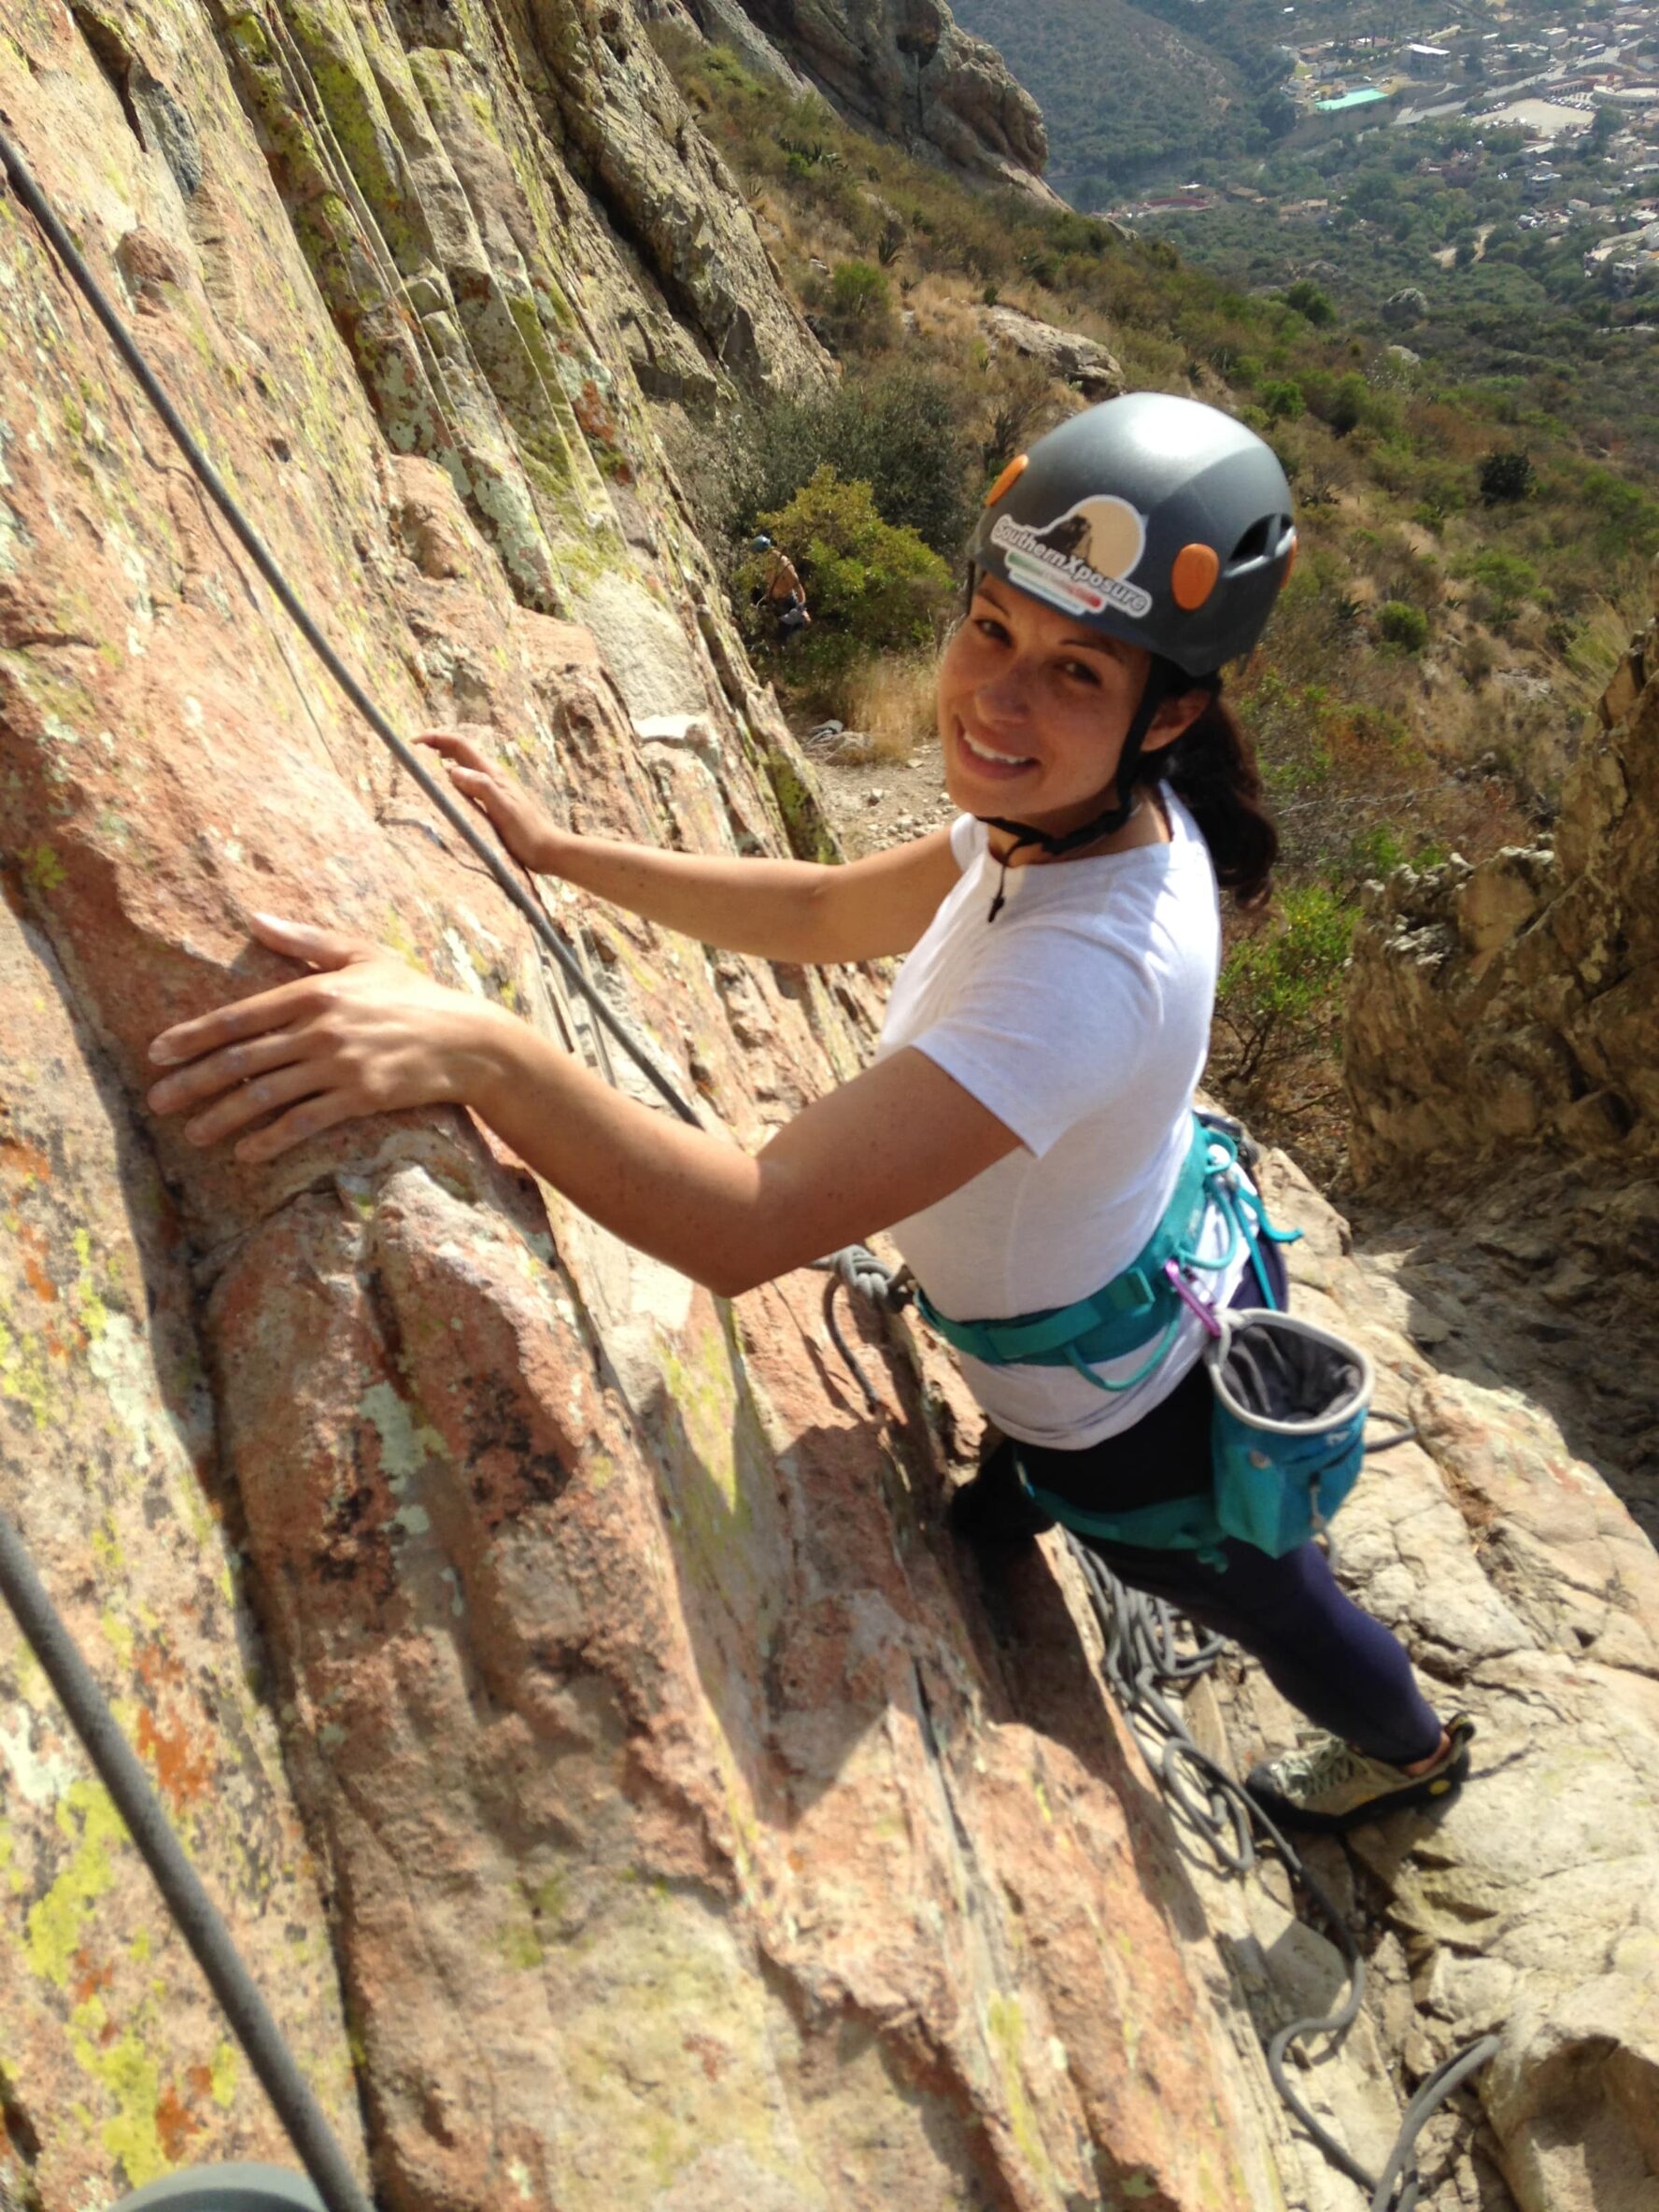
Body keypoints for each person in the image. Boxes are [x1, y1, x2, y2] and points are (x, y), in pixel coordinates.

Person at [146, 394, 1471, 1835]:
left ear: (1173, 710)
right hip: (1123, 1281)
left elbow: (748, 1227)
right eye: (991, 632)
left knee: (1272, 1600)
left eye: (1075, 671)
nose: (996, 701)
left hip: (1131, 1419)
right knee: (1016, 1486)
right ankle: (1018, 1486)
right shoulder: (1071, 814)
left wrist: (481, 1052)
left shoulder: (1090, 969)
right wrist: (557, 849)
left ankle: (1410, 1754)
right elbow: (836, 908)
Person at [750, 533, 811, 644]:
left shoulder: (783, 565)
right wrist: (768, 594)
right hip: (776, 601)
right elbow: (773, 582)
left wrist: (800, 609)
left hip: (788, 604)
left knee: (782, 640)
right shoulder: (769, 563)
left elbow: (798, 588)